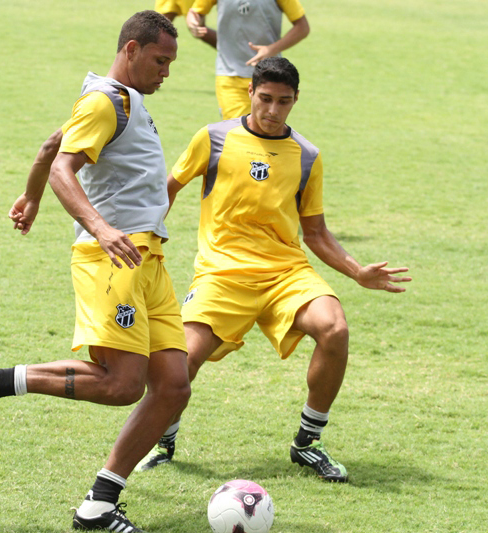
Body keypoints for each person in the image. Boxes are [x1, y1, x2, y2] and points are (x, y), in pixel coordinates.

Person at [0, 10, 190, 532]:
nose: (166, 72)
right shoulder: (105, 101)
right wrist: (101, 228)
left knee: (173, 385)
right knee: (123, 384)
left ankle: (99, 506)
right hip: (114, 259)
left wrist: (31, 197)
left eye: (171, 63)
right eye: (160, 60)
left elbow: (48, 149)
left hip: (148, 261)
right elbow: (66, 165)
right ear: (130, 49)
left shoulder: (123, 101)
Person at [137, 57, 412, 482]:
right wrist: (146, 243)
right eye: (265, 99)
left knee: (334, 328)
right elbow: (167, 191)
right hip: (222, 273)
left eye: (283, 102)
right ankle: (164, 440)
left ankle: (308, 442)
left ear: (295, 100)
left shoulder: (306, 155)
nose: (272, 110)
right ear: (249, 92)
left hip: (286, 272)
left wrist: (356, 271)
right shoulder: (213, 138)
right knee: (183, 361)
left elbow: (315, 231)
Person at [186, 0, 310, 119]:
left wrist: (271, 49)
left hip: (269, 78)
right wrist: (193, 22)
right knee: (236, 133)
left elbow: (302, 27)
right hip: (230, 76)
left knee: (266, 131)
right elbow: (195, 12)